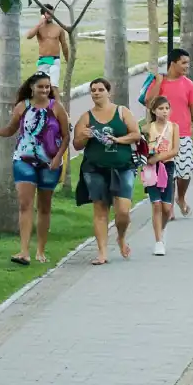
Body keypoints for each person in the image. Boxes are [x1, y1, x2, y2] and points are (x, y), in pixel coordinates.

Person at [0, 72, 69, 265]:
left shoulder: (57, 108)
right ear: (32, 87)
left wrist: (57, 158)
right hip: (24, 160)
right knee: (25, 204)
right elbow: (10, 130)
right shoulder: (22, 107)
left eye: (47, 87)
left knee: (45, 206)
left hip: (50, 162)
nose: (45, 90)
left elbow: (66, 136)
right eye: (41, 87)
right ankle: (24, 251)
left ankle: (40, 250)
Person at [73, 78, 141, 264]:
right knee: (100, 210)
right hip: (95, 168)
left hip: (122, 167)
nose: (96, 93)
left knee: (123, 212)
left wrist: (118, 140)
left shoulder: (122, 112)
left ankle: (121, 237)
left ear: (108, 92)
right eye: (93, 90)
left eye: (100, 89)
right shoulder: (86, 117)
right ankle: (102, 252)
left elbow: (136, 134)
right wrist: (84, 137)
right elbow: (77, 145)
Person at [145, 48, 193, 218]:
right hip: (161, 135)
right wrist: (159, 82)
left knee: (185, 172)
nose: (187, 66)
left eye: (188, 63)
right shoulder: (158, 82)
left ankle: (181, 198)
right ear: (173, 63)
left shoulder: (188, 83)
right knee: (167, 173)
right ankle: (168, 207)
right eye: (183, 62)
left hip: (183, 134)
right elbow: (149, 103)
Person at [142, 96, 179, 256]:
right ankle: (158, 241)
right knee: (156, 204)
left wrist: (159, 157)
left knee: (166, 207)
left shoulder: (173, 127)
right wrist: (150, 158)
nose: (164, 112)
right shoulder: (147, 128)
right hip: (151, 168)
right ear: (154, 111)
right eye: (161, 109)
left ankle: (161, 229)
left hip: (167, 166)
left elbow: (175, 150)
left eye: (166, 108)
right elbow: (142, 149)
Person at [25, 5, 69, 91]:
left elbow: (64, 45)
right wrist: (39, 23)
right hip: (43, 60)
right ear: (43, 14)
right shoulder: (39, 28)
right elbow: (29, 36)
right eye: (48, 13)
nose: (50, 15)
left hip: (55, 60)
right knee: (41, 85)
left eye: (52, 13)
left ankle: (56, 103)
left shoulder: (58, 28)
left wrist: (68, 60)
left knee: (54, 86)